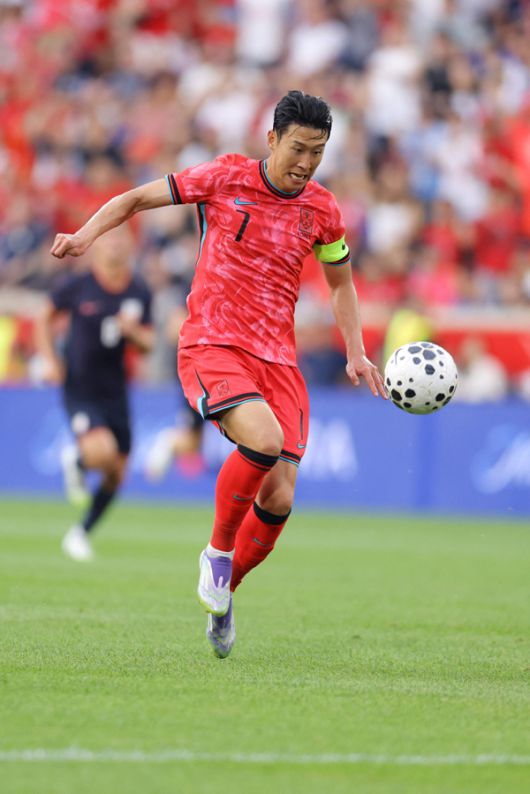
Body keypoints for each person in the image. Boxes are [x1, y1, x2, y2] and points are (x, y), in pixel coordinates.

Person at [50, 90, 387, 656]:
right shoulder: (225, 177)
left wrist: (355, 351)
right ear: (272, 138)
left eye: (319, 152)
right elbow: (134, 199)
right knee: (264, 440)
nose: (306, 162)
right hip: (213, 343)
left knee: (279, 497)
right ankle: (217, 553)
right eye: (299, 148)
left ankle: (225, 593)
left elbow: (340, 282)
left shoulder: (323, 210)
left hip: (278, 359)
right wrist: (86, 236)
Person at [38, 225, 154, 561]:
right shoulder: (79, 284)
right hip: (80, 387)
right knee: (101, 452)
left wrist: (133, 334)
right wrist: (50, 359)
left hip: (115, 390)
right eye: (110, 239)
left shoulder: (138, 290)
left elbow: (148, 344)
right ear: (97, 246)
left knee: (117, 471)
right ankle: (75, 458)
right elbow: (44, 316)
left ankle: (80, 533)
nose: (116, 245)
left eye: (122, 239)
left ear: (131, 246)